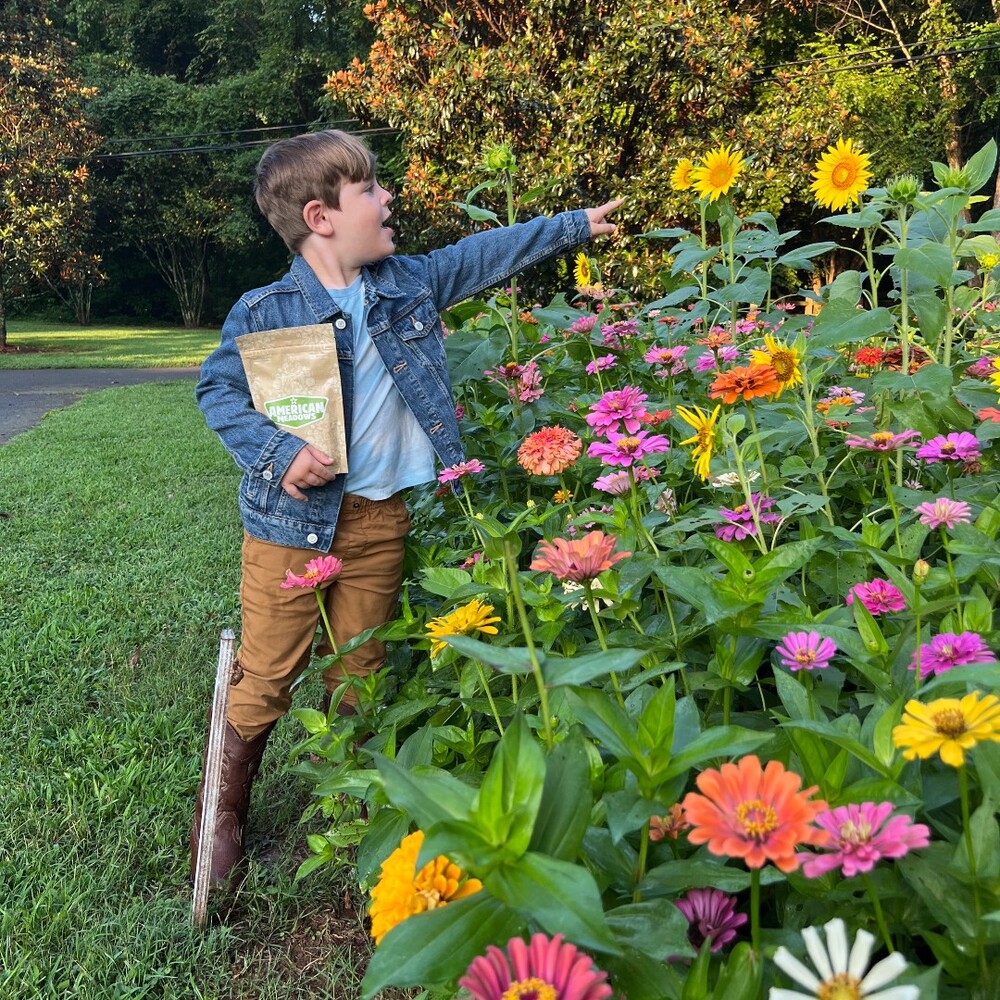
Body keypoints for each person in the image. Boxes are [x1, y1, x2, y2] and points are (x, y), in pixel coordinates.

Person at [191, 128, 621, 884]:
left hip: (379, 520)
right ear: (321, 216)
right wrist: (278, 450)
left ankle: (357, 810)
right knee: (266, 675)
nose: (388, 199)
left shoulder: (408, 284)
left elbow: (486, 254)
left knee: (361, 668)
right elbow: (217, 389)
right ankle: (225, 809)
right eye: (370, 190)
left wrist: (575, 226)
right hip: (290, 528)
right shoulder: (266, 310)